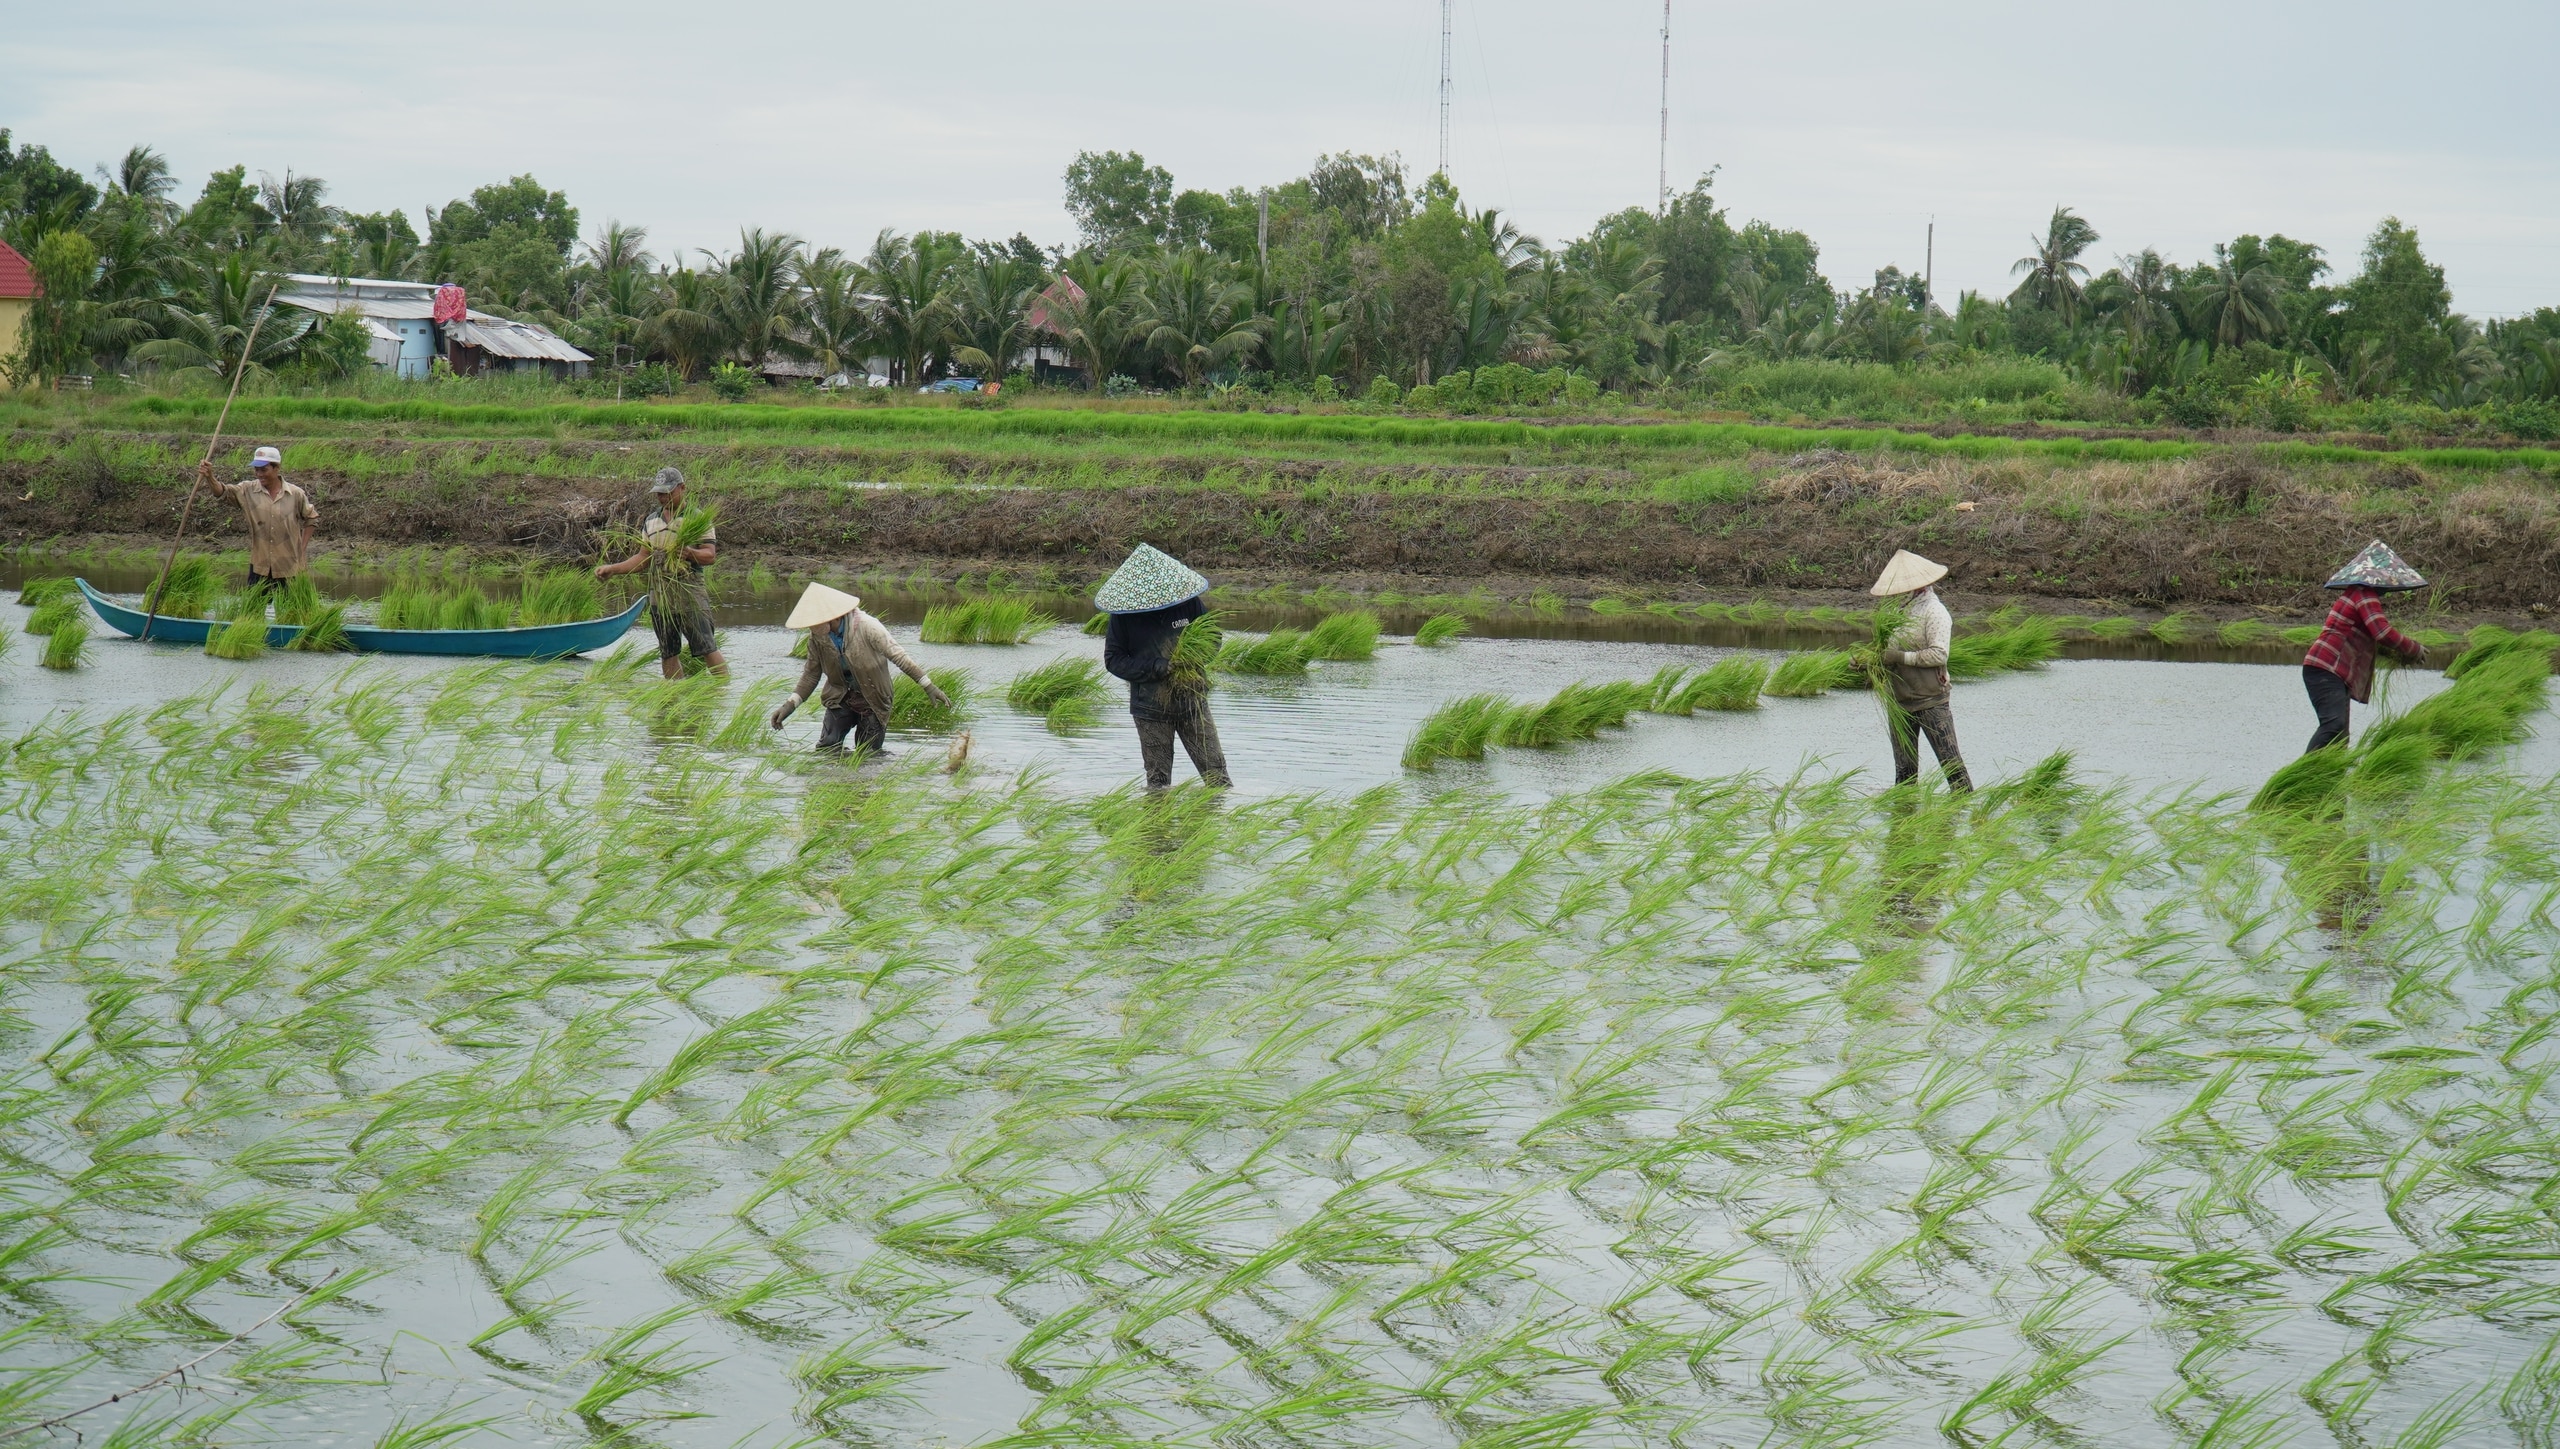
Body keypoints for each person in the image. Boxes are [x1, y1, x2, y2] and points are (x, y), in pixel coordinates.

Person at [1097, 543, 1231, 790]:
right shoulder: (1124, 615)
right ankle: (1157, 827)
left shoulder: (1187, 602)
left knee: (1218, 778)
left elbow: (1212, 636)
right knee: (1158, 784)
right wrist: (1159, 666)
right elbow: (1114, 660)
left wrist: (1194, 658)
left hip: (1192, 701)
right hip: (1150, 708)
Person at [767, 583, 948, 754]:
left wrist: (928, 685)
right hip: (840, 697)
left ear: (832, 617)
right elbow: (810, 675)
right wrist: (789, 706)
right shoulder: (817, 639)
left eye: (813, 622)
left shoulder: (868, 627)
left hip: (874, 698)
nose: (810, 628)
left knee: (867, 755)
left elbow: (900, 658)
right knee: (826, 748)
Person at [596, 467, 728, 678]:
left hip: (690, 593)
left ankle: (723, 692)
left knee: (706, 647)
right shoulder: (651, 521)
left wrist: (688, 553)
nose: (662, 497)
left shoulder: (697, 518)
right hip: (660, 594)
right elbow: (642, 559)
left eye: (667, 492)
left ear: (682, 488)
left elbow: (710, 556)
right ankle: (673, 697)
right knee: (668, 652)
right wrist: (613, 569)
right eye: (659, 493)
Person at [2301, 539, 2428, 753]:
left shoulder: (2359, 594)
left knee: (2341, 738)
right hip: (2325, 669)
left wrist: (2398, 652)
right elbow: (2383, 632)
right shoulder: (2362, 593)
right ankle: (2302, 776)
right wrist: (2413, 649)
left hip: (2332, 672)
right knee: (2333, 726)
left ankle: (2330, 779)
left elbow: (2374, 636)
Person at [1864, 549, 1972, 793]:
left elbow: (1939, 654)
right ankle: (1904, 825)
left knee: (1953, 770)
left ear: (1917, 586)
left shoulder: (1934, 612)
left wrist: (1900, 657)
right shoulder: (1898, 612)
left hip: (1930, 701)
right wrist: (1870, 662)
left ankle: (1968, 818)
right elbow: (1887, 651)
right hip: (1899, 701)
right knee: (1904, 774)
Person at [194, 445, 318, 595]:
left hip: (289, 566)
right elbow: (222, 492)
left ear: (276, 468)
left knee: (291, 613)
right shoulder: (247, 490)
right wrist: (210, 476)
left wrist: (302, 550)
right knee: (252, 611)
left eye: (264, 470)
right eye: (256, 470)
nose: (259, 474)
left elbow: (311, 518)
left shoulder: (295, 494)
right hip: (260, 566)